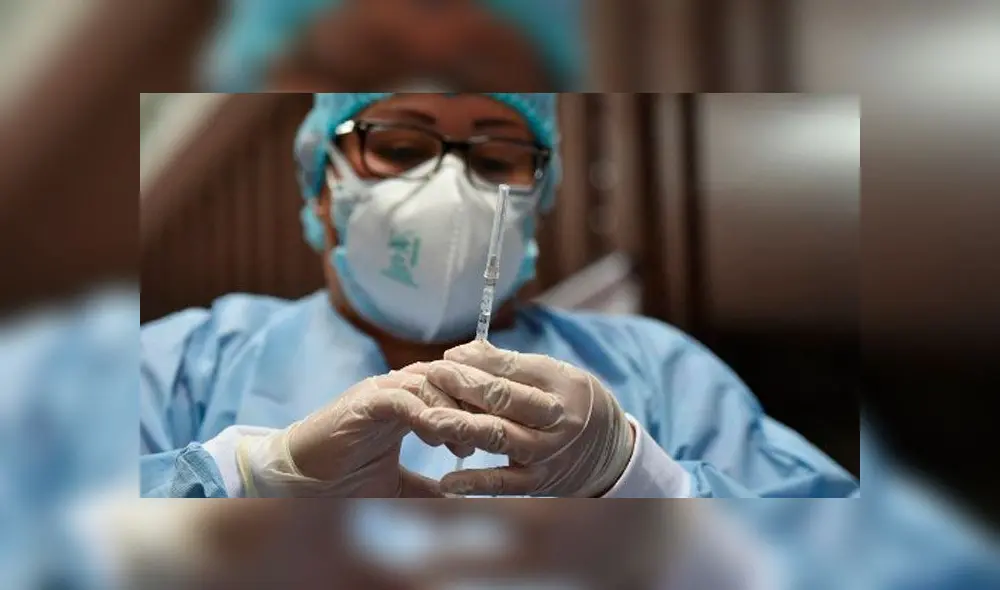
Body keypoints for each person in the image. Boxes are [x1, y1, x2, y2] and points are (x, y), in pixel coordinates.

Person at [140, 92, 859, 498]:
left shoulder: (662, 374)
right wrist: (248, 481)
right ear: (321, 190)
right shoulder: (183, 365)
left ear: (536, 199)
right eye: (400, 146)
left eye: (495, 158)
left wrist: (642, 486)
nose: (454, 187)